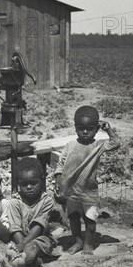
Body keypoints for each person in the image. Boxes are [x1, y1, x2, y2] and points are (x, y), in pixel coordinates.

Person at [54, 105, 120, 255]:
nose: (85, 132)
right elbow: (60, 164)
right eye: (80, 128)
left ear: (96, 129)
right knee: (74, 218)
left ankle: (88, 244)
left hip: (88, 191)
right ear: (75, 128)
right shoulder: (70, 145)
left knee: (90, 220)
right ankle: (78, 241)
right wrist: (58, 180)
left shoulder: (98, 145)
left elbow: (116, 143)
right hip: (71, 191)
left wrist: (108, 129)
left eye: (90, 129)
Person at [6, 157, 56, 267]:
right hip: (18, 238)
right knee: (7, 249)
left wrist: (23, 244)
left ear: (42, 180)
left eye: (33, 183)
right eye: (24, 184)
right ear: (18, 184)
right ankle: (22, 263)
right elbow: (15, 227)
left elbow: (38, 226)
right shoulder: (14, 202)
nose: (29, 187)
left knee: (32, 248)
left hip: (39, 238)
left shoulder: (47, 201)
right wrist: (20, 243)